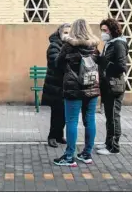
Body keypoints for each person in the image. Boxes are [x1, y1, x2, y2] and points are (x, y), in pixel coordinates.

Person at [53, 19, 101, 167]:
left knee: (72, 121)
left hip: (73, 89)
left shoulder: (68, 46)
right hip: (92, 87)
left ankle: (69, 156)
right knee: (90, 120)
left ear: (74, 30)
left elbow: (58, 64)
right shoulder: (94, 46)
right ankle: (87, 154)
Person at [95, 18, 129, 155]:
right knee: (109, 116)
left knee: (114, 116)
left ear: (112, 30)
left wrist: (104, 63)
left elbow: (121, 66)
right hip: (108, 85)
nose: (103, 33)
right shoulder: (110, 44)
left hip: (115, 85)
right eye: (102, 30)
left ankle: (114, 147)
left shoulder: (118, 44)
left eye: (105, 30)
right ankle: (108, 142)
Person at [42, 23, 71, 148]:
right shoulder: (54, 46)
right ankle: (52, 136)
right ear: (59, 33)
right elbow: (56, 63)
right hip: (55, 85)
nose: (67, 35)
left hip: (65, 85)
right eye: (65, 32)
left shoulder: (68, 46)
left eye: (69, 33)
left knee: (64, 113)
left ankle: (59, 135)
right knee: (56, 113)